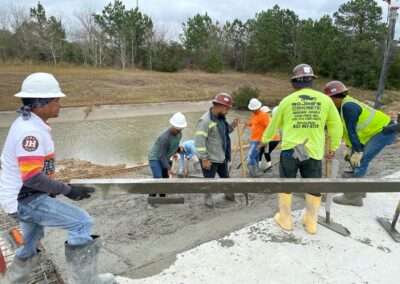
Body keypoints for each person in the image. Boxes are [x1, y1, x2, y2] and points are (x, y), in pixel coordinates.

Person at [0, 73, 114, 283]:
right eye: (56, 100)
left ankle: (12, 281)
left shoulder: (28, 122)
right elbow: (32, 177)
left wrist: (54, 188)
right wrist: (68, 190)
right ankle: (85, 280)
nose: (60, 104)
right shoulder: (30, 132)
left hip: (20, 198)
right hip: (25, 200)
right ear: (39, 103)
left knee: (31, 240)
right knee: (81, 222)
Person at [260, 64, 343, 234]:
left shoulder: (286, 101)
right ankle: (311, 223)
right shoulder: (326, 100)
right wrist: (333, 147)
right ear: (312, 81)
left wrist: (264, 140)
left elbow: (273, 124)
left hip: (290, 151)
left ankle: (285, 219)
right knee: (313, 186)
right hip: (313, 152)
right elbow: (336, 126)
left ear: (293, 83)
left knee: (286, 184)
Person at [324, 80, 398, 206]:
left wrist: (358, 151)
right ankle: (359, 189)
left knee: (360, 160)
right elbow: (347, 130)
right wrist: (350, 147)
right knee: (353, 158)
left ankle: (353, 198)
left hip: (384, 131)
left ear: (333, 98)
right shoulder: (342, 106)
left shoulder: (348, 106)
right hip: (374, 132)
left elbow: (352, 131)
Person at [195, 93, 239, 207]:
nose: (228, 111)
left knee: (226, 180)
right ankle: (208, 203)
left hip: (221, 157)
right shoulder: (205, 121)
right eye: (227, 108)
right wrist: (204, 159)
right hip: (210, 160)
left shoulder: (221, 119)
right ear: (219, 106)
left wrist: (233, 125)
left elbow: (224, 132)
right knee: (209, 183)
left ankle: (229, 197)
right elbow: (199, 142)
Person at [148, 112, 187, 198]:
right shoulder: (165, 138)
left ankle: (162, 196)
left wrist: (175, 152)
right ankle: (152, 198)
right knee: (157, 178)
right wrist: (169, 168)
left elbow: (174, 145)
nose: (179, 130)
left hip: (164, 157)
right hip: (155, 158)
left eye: (180, 128)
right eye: (177, 128)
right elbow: (161, 155)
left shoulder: (179, 134)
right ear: (172, 125)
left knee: (165, 177)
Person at [244, 98, 269, 177]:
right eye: (253, 109)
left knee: (250, 157)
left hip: (259, 140)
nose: (254, 110)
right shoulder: (254, 114)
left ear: (259, 107)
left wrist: (264, 141)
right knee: (255, 156)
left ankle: (254, 173)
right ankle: (256, 171)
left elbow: (269, 128)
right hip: (253, 139)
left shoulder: (263, 115)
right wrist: (247, 124)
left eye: (255, 109)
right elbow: (254, 122)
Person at [258, 105, 281, 171]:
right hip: (276, 140)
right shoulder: (273, 120)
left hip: (269, 140)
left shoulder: (264, 120)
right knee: (266, 153)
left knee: (260, 152)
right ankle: (269, 165)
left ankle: (258, 166)